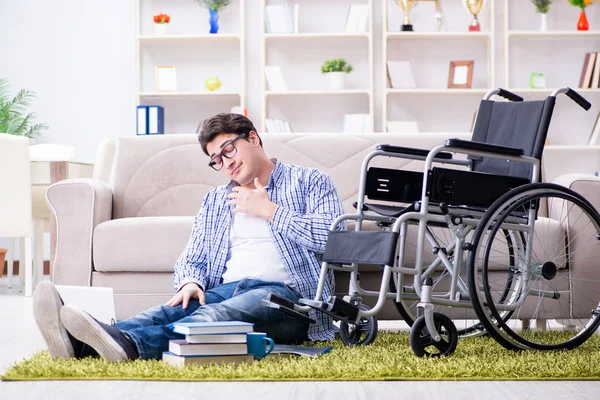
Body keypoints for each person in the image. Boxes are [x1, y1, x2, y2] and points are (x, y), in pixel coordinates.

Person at [33, 113, 346, 361]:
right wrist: (191, 282)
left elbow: (338, 243)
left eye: (229, 150)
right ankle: (81, 343)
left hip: (289, 301)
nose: (226, 163)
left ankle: (128, 344)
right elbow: (192, 258)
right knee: (167, 312)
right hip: (226, 289)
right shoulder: (215, 200)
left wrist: (271, 210)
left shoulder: (309, 181)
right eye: (217, 160)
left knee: (214, 316)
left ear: (253, 138)